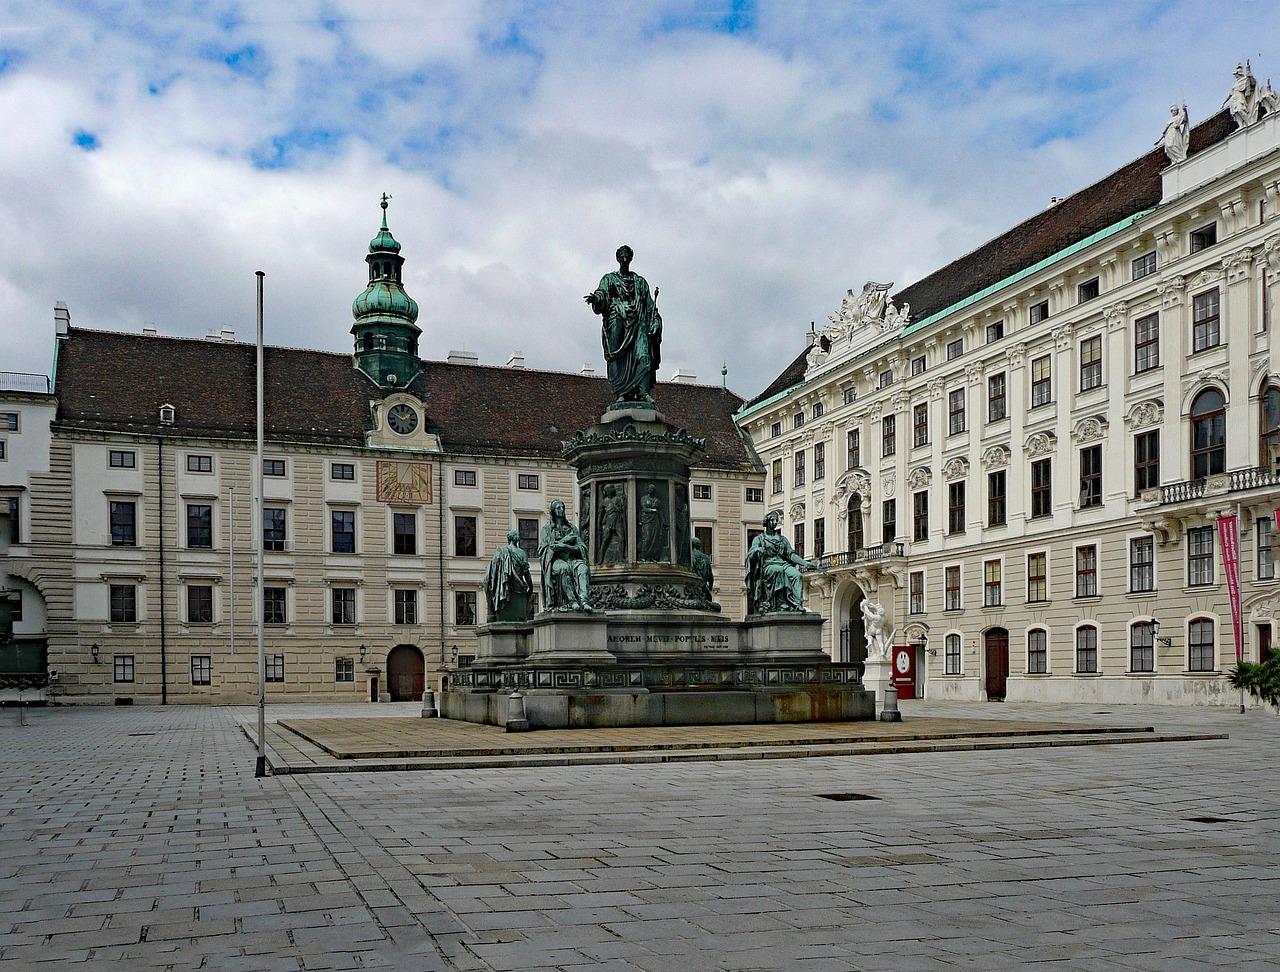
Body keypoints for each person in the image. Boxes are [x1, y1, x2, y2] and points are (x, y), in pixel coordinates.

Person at [585, 245, 663, 404]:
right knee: (618, 359)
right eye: (622, 256)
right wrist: (597, 299)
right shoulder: (609, 279)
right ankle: (621, 392)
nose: (625, 259)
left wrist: (655, 321)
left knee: (643, 355)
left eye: (627, 256)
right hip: (618, 322)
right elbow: (602, 293)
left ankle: (644, 392)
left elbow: (650, 306)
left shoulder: (640, 282)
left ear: (631, 258)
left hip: (638, 324)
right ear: (618, 258)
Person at [745, 511, 817, 614]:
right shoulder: (759, 539)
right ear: (767, 522)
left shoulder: (782, 539)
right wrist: (757, 551)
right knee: (779, 571)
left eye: (776, 520)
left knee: (797, 575)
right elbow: (751, 557)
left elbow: (791, 555)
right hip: (768, 565)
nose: (775, 522)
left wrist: (805, 563)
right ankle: (782, 604)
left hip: (782, 564)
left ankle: (796, 604)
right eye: (772, 520)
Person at [538, 500, 594, 611]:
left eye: (563, 507)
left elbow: (581, 547)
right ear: (553, 511)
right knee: (563, 569)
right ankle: (572, 601)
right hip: (556, 560)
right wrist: (565, 541)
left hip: (572, 559)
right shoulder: (547, 530)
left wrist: (564, 546)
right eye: (558, 508)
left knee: (583, 568)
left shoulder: (572, 528)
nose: (562, 510)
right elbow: (545, 549)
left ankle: (584, 601)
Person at [485, 530, 533, 622]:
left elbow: (494, 570)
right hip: (519, 587)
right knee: (519, 617)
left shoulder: (501, 551)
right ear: (517, 539)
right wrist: (530, 587)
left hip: (505, 586)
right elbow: (526, 574)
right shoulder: (522, 553)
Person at [597, 482, 627, 564]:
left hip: (618, 520)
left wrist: (624, 501)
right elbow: (600, 514)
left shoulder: (618, 499)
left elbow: (623, 509)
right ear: (607, 491)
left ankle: (621, 557)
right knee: (605, 539)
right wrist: (599, 525)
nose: (614, 489)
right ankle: (601, 558)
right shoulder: (604, 502)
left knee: (622, 538)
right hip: (609, 521)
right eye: (611, 488)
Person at [637, 483, 668, 562]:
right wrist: (654, 510)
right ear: (647, 490)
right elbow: (644, 508)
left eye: (653, 489)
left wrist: (663, 521)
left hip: (655, 520)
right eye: (650, 488)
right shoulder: (644, 498)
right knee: (647, 538)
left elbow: (660, 512)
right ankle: (643, 555)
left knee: (655, 539)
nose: (651, 490)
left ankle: (652, 556)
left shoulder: (657, 500)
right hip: (646, 520)